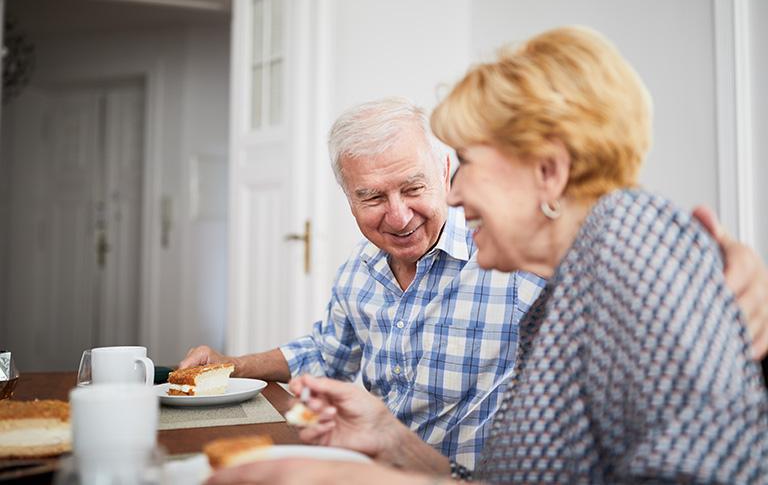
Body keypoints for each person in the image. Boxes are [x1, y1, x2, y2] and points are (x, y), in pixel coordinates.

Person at [206, 26, 768, 484]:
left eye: (467, 162)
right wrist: (391, 441)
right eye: (373, 196)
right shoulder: (571, 287)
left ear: (548, 172)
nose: (452, 195)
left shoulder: (628, 246)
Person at [182, 97, 548, 467]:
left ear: (444, 172)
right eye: (372, 196)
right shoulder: (361, 266)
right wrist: (230, 366)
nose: (399, 217)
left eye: (413, 189)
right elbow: (327, 354)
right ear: (349, 198)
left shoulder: (509, 257)